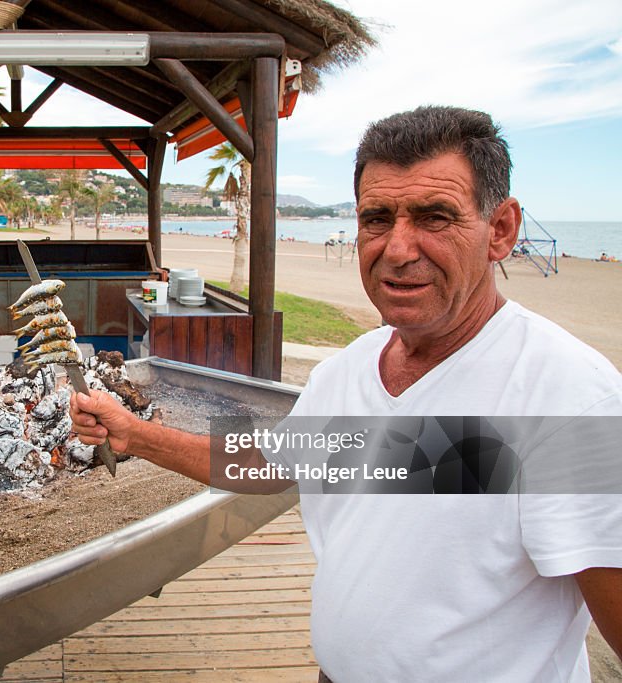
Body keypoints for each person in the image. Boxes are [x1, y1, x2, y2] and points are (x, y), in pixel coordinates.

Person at [71, 106, 622, 682]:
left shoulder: (568, 397)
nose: (398, 249)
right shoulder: (350, 371)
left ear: (501, 230)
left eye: (435, 217)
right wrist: (133, 433)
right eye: (377, 218)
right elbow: (267, 465)